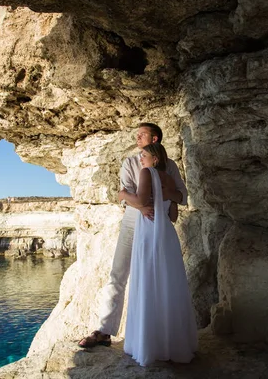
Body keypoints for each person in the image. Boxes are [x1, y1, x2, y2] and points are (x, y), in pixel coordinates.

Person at [78, 123, 187, 348]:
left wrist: (160, 197)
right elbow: (128, 192)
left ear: (154, 139)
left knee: (158, 278)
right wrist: (141, 205)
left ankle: (158, 336)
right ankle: (104, 331)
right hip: (131, 222)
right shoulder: (130, 162)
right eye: (136, 134)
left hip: (158, 224)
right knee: (118, 274)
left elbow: (182, 195)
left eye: (142, 134)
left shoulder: (171, 166)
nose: (137, 138)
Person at [118, 143, 197, 366]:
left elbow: (142, 201)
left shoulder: (147, 172)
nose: (140, 158)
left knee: (148, 282)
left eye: (143, 155)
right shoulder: (169, 179)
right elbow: (172, 214)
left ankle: (149, 345)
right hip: (167, 234)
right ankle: (172, 344)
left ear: (154, 158)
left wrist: (123, 194)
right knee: (168, 284)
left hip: (149, 234)